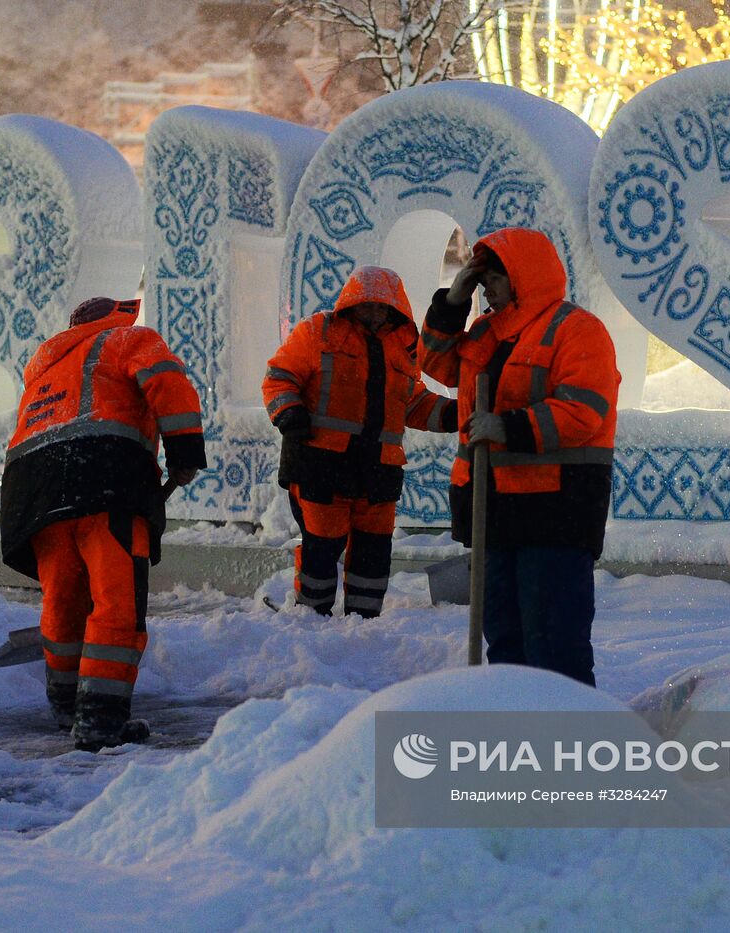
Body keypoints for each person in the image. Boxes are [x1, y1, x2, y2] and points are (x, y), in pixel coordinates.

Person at [0, 297, 206, 751]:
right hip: (105, 474)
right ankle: (100, 720)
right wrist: (186, 450)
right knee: (116, 603)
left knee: (65, 597)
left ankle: (68, 707)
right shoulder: (128, 339)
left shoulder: (45, 365)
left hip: (33, 488)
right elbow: (166, 380)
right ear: (116, 318)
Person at [419, 228, 620, 687]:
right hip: (494, 512)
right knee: (505, 642)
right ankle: (516, 737)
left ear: (522, 276)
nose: (486, 287)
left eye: (494, 277)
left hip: (555, 514)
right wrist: (453, 303)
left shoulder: (576, 329)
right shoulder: (485, 332)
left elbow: (583, 410)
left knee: (553, 644)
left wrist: (508, 427)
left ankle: (566, 743)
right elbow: (434, 363)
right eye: (481, 278)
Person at [263, 265, 457, 617]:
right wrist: (288, 414)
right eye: (367, 305)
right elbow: (279, 377)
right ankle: (310, 617)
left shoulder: (402, 347)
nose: (374, 313)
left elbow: (412, 402)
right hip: (321, 464)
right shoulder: (317, 332)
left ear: (395, 309)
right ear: (351, 303)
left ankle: (365, 626)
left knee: (373, 552)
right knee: (322, 548)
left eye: (382, 307)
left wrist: (457, 414)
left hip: (378, 471)